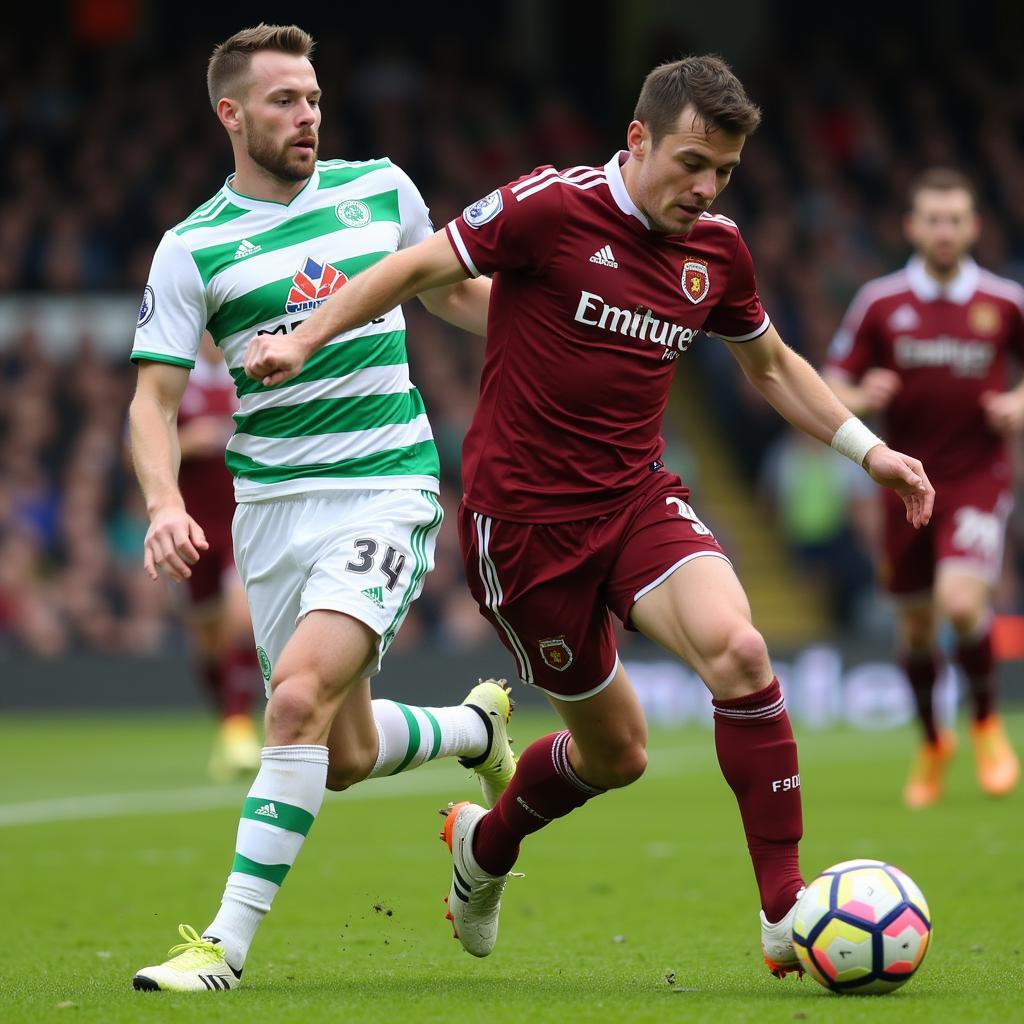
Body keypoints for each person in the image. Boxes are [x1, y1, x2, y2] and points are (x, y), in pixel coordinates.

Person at [245, 55, 934, 977]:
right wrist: (305, 334)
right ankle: (484, 850)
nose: (706, 187)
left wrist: (870, 450)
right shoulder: (548, 207)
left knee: (742, 652)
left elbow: (769, 366)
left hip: (638, 496)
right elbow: (413, 267)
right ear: (638, 139)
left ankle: (783, 910)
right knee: (618, 755)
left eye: (723, 172)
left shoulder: (717, 251)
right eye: (692, 162)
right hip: (523, 531)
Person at [129, 24, 516, 992]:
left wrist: (555, 323)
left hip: (382, 487)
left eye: (311, 98)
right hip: (268, 512)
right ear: (231, 114)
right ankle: (473, 732)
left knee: (291, 700)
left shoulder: (377, 188)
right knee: (336, 754)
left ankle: (222, 947)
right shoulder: (192, 249)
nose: (306, 116)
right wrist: (165, 502)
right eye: (282, 102)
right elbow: (151, 400)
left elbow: (452, 295)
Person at [824, 168, 1023, 809]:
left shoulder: (1004, 301)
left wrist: (1020, 403)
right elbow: (832, 381)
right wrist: (862, 393)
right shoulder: (881, 302)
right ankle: (935, 742)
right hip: (903, 478)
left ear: (973, 227)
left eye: (954, 219)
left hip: (976, 476)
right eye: (932, 219)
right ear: (913, 227)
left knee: (961, 604)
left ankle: (987, 724)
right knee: (913, 627)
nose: (944, 230)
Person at [176, 333, 263, 781]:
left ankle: (238, 726)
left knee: (240, 619)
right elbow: (135, 451)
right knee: (207, 642)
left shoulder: (248, 372)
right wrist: (186, 443)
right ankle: (229, 725)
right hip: (192, 528)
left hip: (242, 522)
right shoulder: (176, 379)